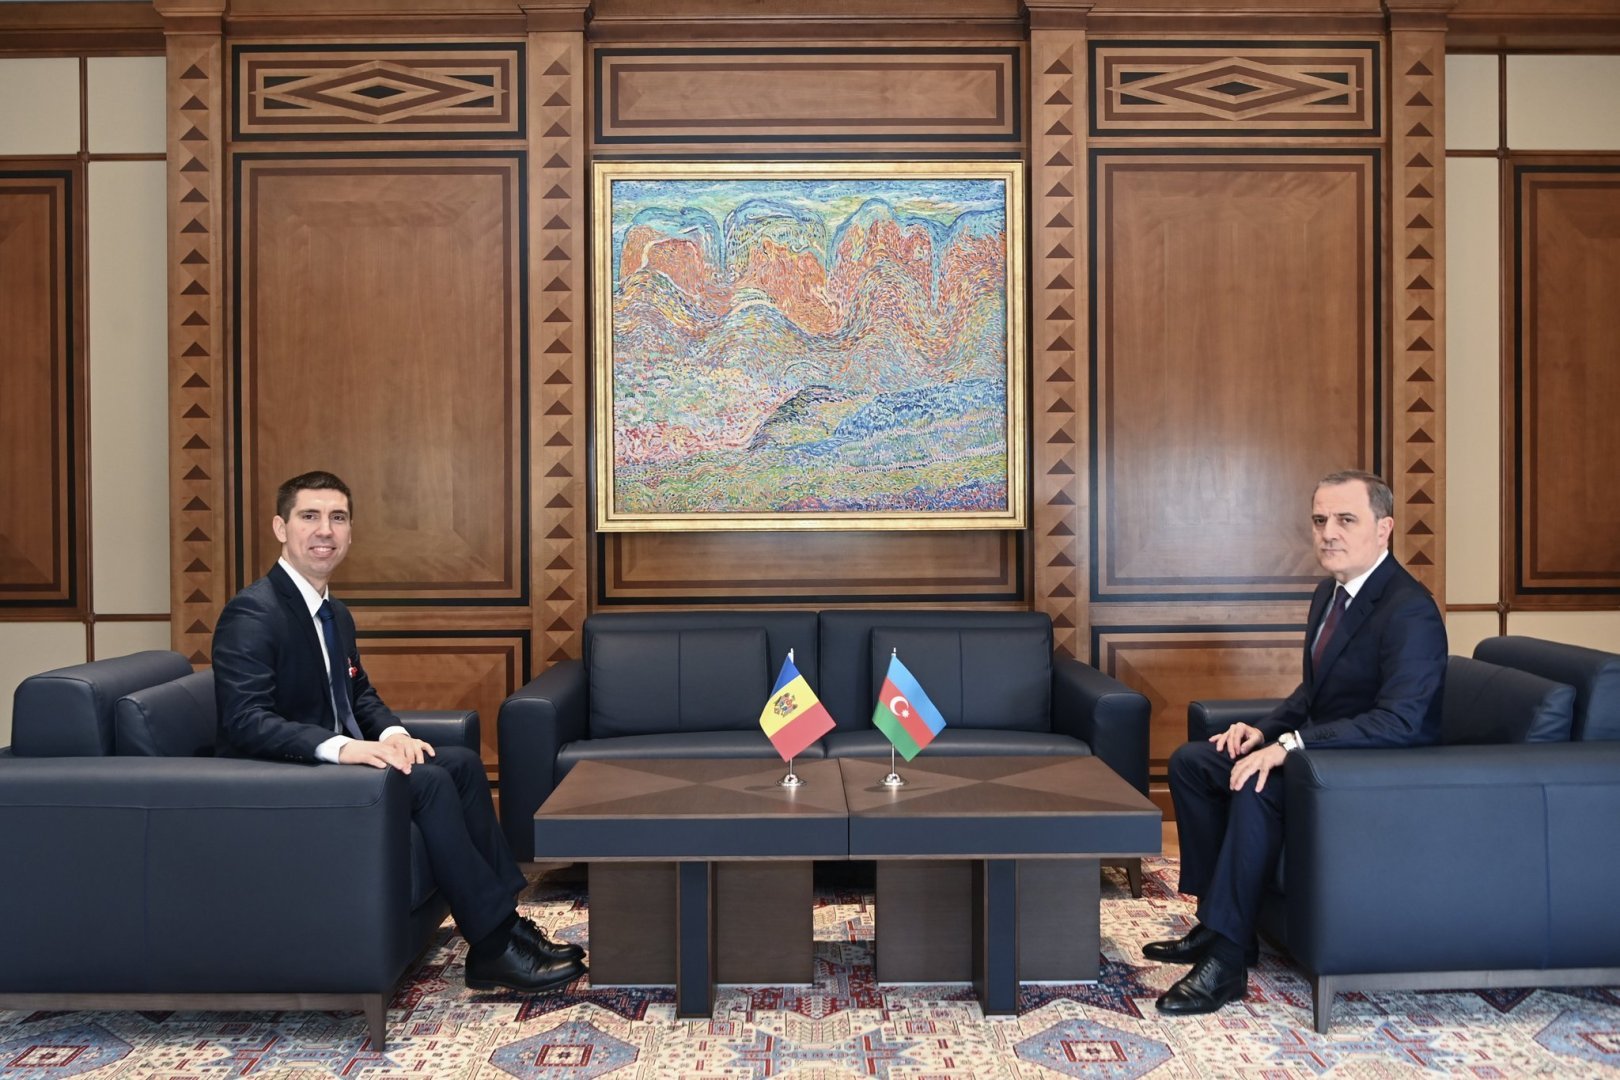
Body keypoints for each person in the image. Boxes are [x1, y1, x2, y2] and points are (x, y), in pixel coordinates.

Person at [212, 470, 586, 993]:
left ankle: (505, 923)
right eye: (309, 516)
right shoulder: (254, 612)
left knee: (459, 763)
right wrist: (345, 748)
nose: (325, 530)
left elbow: (358, 692)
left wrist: (391, 735)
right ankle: (493, 946)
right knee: (427, 782)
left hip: (330, 765)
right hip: (284, 777)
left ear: (350, 532)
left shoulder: (333, 613)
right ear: (281, 527)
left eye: (338, 518)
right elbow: (245, 720)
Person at [1146, 469, 1446, 1015]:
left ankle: (1228, 962)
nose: (1328, 532)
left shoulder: (1409, 609)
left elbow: (1400, 722)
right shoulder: (1330, 593)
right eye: (1320, 520)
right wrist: (1262, 730)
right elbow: (1314, 692)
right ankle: (1217, 921)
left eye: (1345, 520)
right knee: (1195, 762)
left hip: (1372, 777)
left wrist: (1289, 746)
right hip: (1322, 759)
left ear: (1384, 529)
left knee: (1258, 782)